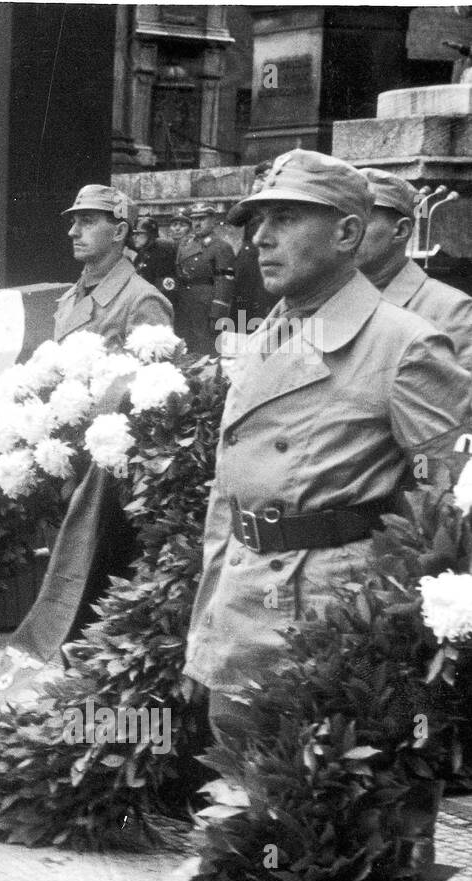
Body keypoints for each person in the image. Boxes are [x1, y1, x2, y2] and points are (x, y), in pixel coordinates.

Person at [184, 149, 471, 743]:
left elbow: (448, 513)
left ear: (346, 232)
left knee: (345, 823)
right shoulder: (269, 333)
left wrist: (402, 646)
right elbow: (228, 495)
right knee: (239, 807)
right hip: (241, 605)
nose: (260, 237)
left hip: (333, 621)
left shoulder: (407, 346)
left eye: (285, 218)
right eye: (257, 221)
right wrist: (203, 625)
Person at [355, 167, 472, 373]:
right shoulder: (324, 299)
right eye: (341, 220)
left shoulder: (453, 311)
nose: (346, 231)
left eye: (362, 220)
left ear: (401, 230)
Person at [53, 184, 172, 345]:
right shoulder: (71, 296)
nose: (73, 232)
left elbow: (153, 369)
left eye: (87, 221)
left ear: (119, 232)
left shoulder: (142, 301)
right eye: (74, 222)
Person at [174, 201, 235, 356]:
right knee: (185, 351)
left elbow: (224, 283)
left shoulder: (221, 247)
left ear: (213, 221)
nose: (197, 223)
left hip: (206, 307)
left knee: (206, 351)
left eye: (202, 219)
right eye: (194, 219)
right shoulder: (185, 243)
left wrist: (218, 314)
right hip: (185, 304)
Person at [229, 161, 276, 331]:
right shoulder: (253, 202)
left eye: (268, 176)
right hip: (249, 263)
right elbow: (233, 219)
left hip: (272, 258)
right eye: (261, 177)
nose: (264, 181)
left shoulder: (281, 198)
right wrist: (253, 195)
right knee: (243, 309)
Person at [130, 215, 177, 301]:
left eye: (139, 234)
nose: (134, 237)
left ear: (150, 235)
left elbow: (166, 286)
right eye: (134, 234)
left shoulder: (162, 253)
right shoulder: (142, 254)